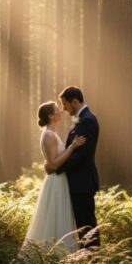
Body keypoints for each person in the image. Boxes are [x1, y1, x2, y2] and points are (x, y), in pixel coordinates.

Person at [22, 101, 86, 254]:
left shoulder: (51, 133)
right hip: (57, 182)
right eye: (57, 110)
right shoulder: (49, 135)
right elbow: (54, 164)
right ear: (51, 116)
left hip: (59, 180)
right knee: (56, 217)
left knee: (58, 217)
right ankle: (56, 255)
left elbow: (50, 163)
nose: (61, 111)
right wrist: (72, 146)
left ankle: (59, 255)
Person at [45, 86, 100, 248]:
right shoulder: (80, 119)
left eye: (65, 104)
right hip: (77, 182)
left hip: (83, 182)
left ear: (74, 102)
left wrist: (57, 167)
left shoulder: (88, 120)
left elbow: (82, 154)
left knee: (87, 224)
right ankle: (87, 257)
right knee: (82, 224)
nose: (63, 109)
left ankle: (93, 258)